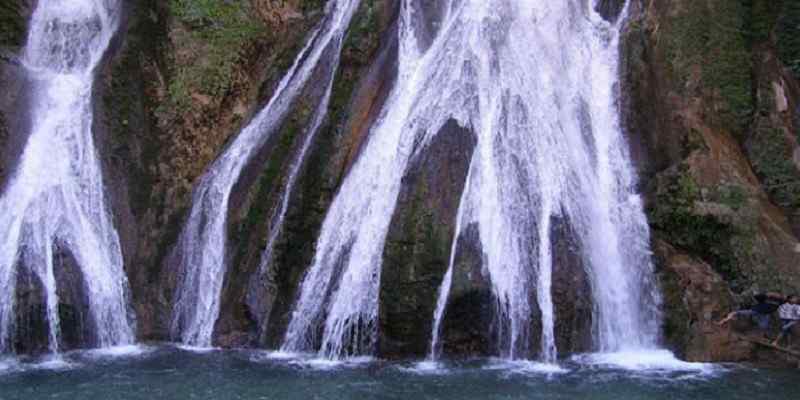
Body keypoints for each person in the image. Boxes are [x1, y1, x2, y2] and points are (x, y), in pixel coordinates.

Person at [716, 292, 785, 332]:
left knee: (763, 326)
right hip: (756, 310)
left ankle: (753, 321)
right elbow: (756, 296)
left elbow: (786, 301)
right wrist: (767, 294)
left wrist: (781, 296)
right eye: (775, 294)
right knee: (739, 313)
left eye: (778, 295)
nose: (776, 295)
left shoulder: (780, 301)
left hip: (765, 314)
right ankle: (722, 321)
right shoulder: (766, 297)